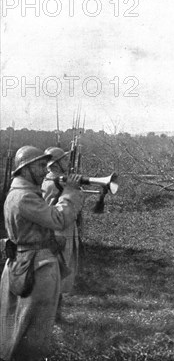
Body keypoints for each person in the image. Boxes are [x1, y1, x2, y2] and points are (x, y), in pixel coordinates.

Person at [1, 146, 84, 360]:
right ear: (25, 168)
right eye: (39, 166)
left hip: (27, 263)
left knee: (20, 325)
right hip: (37, 267)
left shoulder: (20, 193)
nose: (44, 171)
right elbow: (59, 219)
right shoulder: (24, 197)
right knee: (36, 329)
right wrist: (70, 193)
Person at [41, 147, 80, 321]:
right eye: (63, 160)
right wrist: (72, 190)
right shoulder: (53, 182)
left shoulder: (54, 180)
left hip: (64, 228)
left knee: (62, 270)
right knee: (58, 270)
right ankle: (53, 315)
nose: (66, 162)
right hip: (59, 231)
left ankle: (56, 313)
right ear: (55, 163)